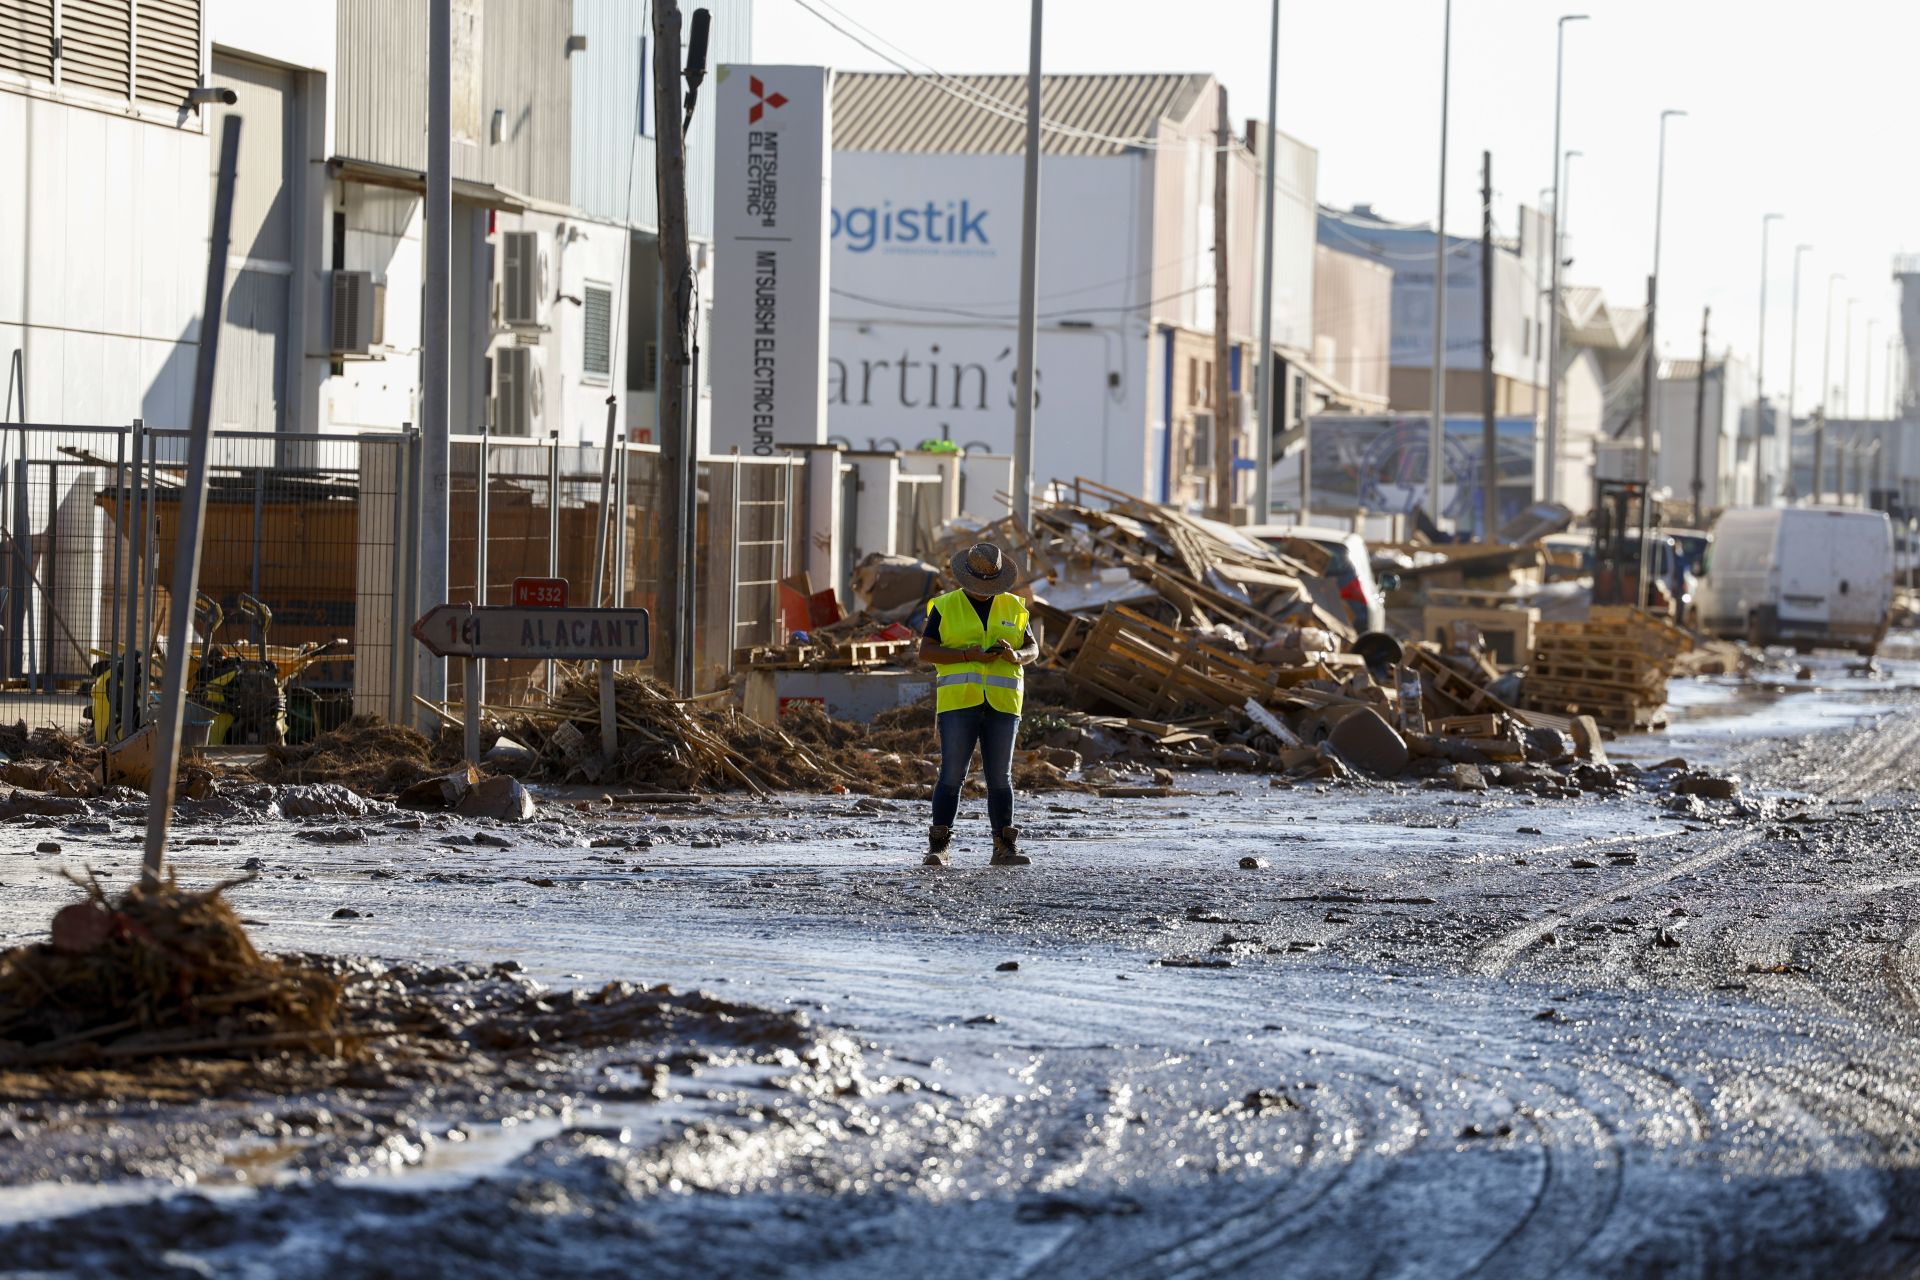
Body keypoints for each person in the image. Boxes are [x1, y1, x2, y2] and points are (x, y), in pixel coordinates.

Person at [917, 541, 1040, 867]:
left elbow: (1033, 648)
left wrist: (1017, 656)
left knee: (1000, 777)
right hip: (959, 701)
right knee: (952, 775)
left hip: (1003, 703)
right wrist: (965, 656)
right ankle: (939, 846)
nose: (984, 592)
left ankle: (1004, 846)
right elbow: (926, 651)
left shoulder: (1014, 607)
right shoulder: (945, 606)